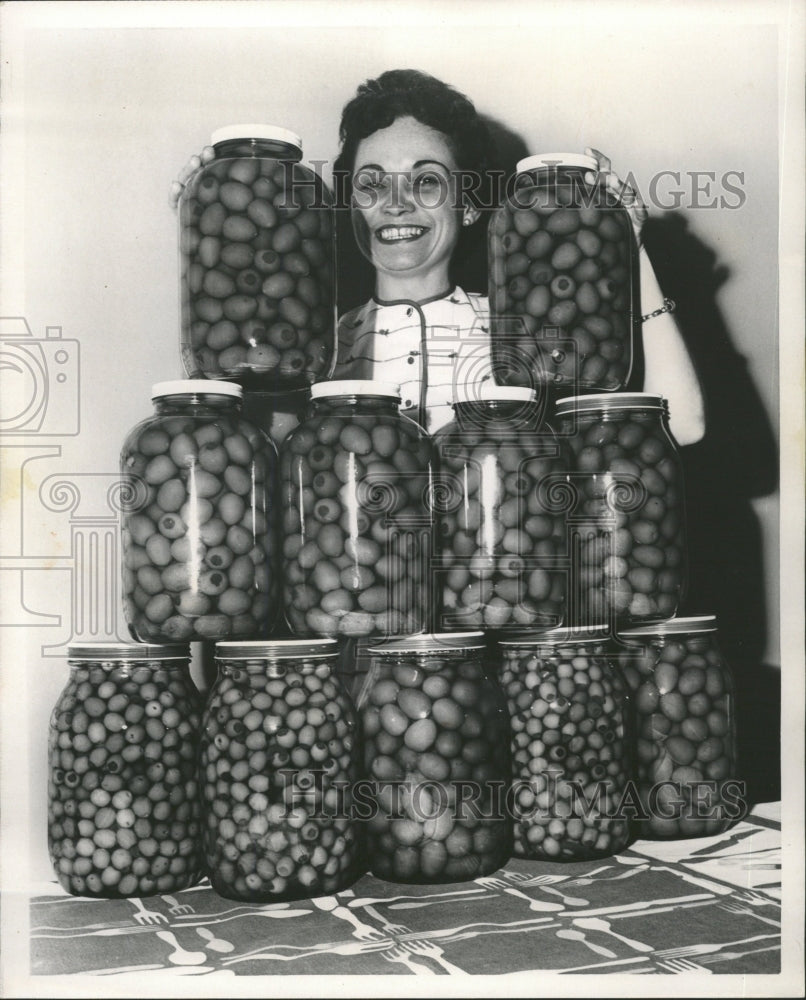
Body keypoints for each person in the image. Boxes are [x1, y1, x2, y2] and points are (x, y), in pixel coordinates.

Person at [172, 69, 705, 445]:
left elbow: (683, 425)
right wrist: (213, 240)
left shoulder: (527, 332)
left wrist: (628, 250)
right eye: (371, 184)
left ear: (470, 205)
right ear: (348, 208)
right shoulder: (311, 353)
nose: (396, 203)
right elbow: (238, 448)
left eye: (426, 181)